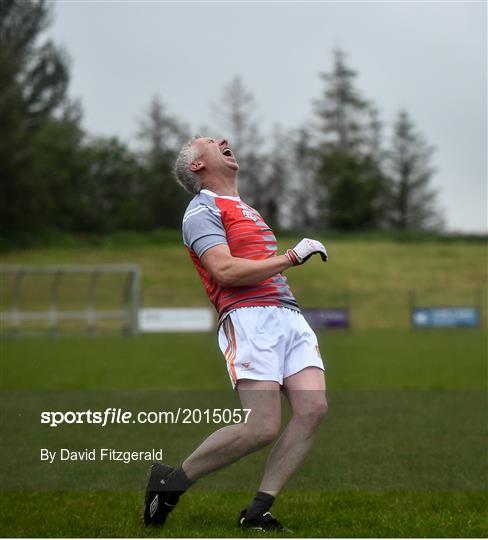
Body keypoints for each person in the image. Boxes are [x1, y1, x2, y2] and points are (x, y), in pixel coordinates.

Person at [144, 136, 329, 532]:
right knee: (261, 427)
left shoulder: (246, 208)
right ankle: (170, 483)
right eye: (210, 142)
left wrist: (285, 266)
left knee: (313, 410)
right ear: (197, 165)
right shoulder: (200, 211)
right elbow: (225, 272)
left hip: (289, 316)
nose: (223, 141)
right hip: (248, 318)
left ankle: (259, 510)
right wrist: (291, 257)